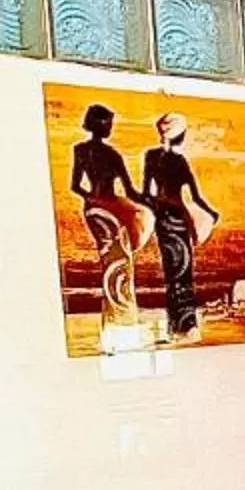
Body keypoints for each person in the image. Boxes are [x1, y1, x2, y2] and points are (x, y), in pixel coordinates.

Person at [68, 103, 152, 330]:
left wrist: (91, 199)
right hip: (112, 210)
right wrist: (150, 201)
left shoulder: (80, 150)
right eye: (109, 123)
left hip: (93, 210)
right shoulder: (112, 155)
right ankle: (122, 318)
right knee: (121, 262)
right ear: (100, 124)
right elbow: (131, 192)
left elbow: (75, 186)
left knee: (109, 260)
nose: (111, 128)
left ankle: (113, 319)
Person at [139, 110, 221, 340]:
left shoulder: (150, 156)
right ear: (181, 136)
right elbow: (195, 197)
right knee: (183, 273)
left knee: (170, 272)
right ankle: (187, 325)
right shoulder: (179, 161)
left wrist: (154, 207)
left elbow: (146, 192)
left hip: (162, 222)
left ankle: (174, 327)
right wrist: (212, 214)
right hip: (178, 220)